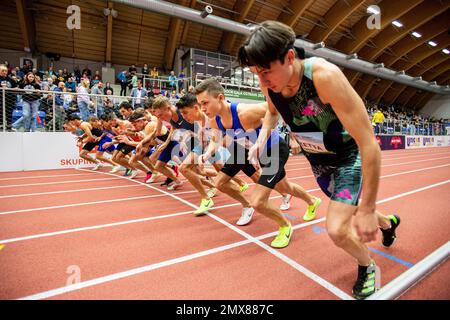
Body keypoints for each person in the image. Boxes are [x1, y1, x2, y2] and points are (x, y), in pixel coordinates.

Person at [237, 20, 401, 299]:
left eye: (265, 72)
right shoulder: (269, 82)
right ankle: (388, 223)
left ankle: (368, 266)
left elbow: (369, 144)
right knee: (348, 205)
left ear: (290, 57)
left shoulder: (325, 77)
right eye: (256, 73)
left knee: (337, 228)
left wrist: (368, 207)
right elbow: (272, 112)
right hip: (318, 162)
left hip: (348, 157)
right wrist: (262, 139)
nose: (262, 81)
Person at [195, 78, 320, 236]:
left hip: (274, 150)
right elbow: (215, 139)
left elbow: (277, 110)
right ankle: (312, 201)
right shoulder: (215, 120)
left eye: (205, 103)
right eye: (200, 104)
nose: (202, 108)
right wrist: (206, 154)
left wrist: (294, 137)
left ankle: (285, 226)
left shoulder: (244, 112)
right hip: (257, 153)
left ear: (220, 97)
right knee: (284, 187)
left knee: (257, 201)